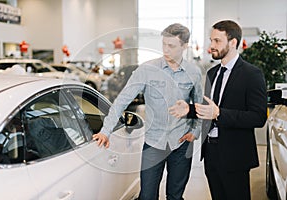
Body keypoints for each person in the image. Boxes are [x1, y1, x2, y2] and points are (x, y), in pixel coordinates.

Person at [92, 23, 203, 200]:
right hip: (154, 144)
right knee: (147, 196)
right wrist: (106, 131)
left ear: (184, 46)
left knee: (175, 196)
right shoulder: (147, 70)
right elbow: (122, 100)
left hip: (181, 144)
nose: (166, 50)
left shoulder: (194, 72)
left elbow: (199, 106)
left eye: (172, 46)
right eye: (164, 44)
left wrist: (195, 131)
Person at [169, 20, 267, 200]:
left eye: (217, 41)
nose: (211, 46)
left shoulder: (252, 74)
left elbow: (258, 117)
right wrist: (189, 109)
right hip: (211, 154)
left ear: (233, 43)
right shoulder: (212, 73)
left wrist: (219, 114)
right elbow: (209, 109)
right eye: (211, 40)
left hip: (235, 156)